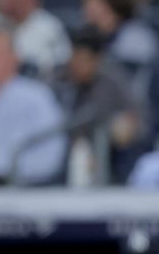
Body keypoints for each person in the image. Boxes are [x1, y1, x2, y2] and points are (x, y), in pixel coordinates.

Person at [0, 27, 66, 185]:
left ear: (16, 57)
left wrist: (5, 172)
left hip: (24, 190)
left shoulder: (37, 97)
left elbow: (52, 154)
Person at [52, 27, 140, 164]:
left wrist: (125, 126)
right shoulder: (58, 78)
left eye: (84, 60)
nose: (77, 66)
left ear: (98, 60)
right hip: (61, 149)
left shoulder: (113, 82)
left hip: (105, 153)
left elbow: (136, 118)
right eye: (75, 58)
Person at [81, 0, 158, 109]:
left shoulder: (136, 34)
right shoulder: (91, 37)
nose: (86, 12)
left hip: (130, 107)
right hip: (98, 103)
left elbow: (124, 76)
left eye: (92, 6)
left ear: (109, 8)